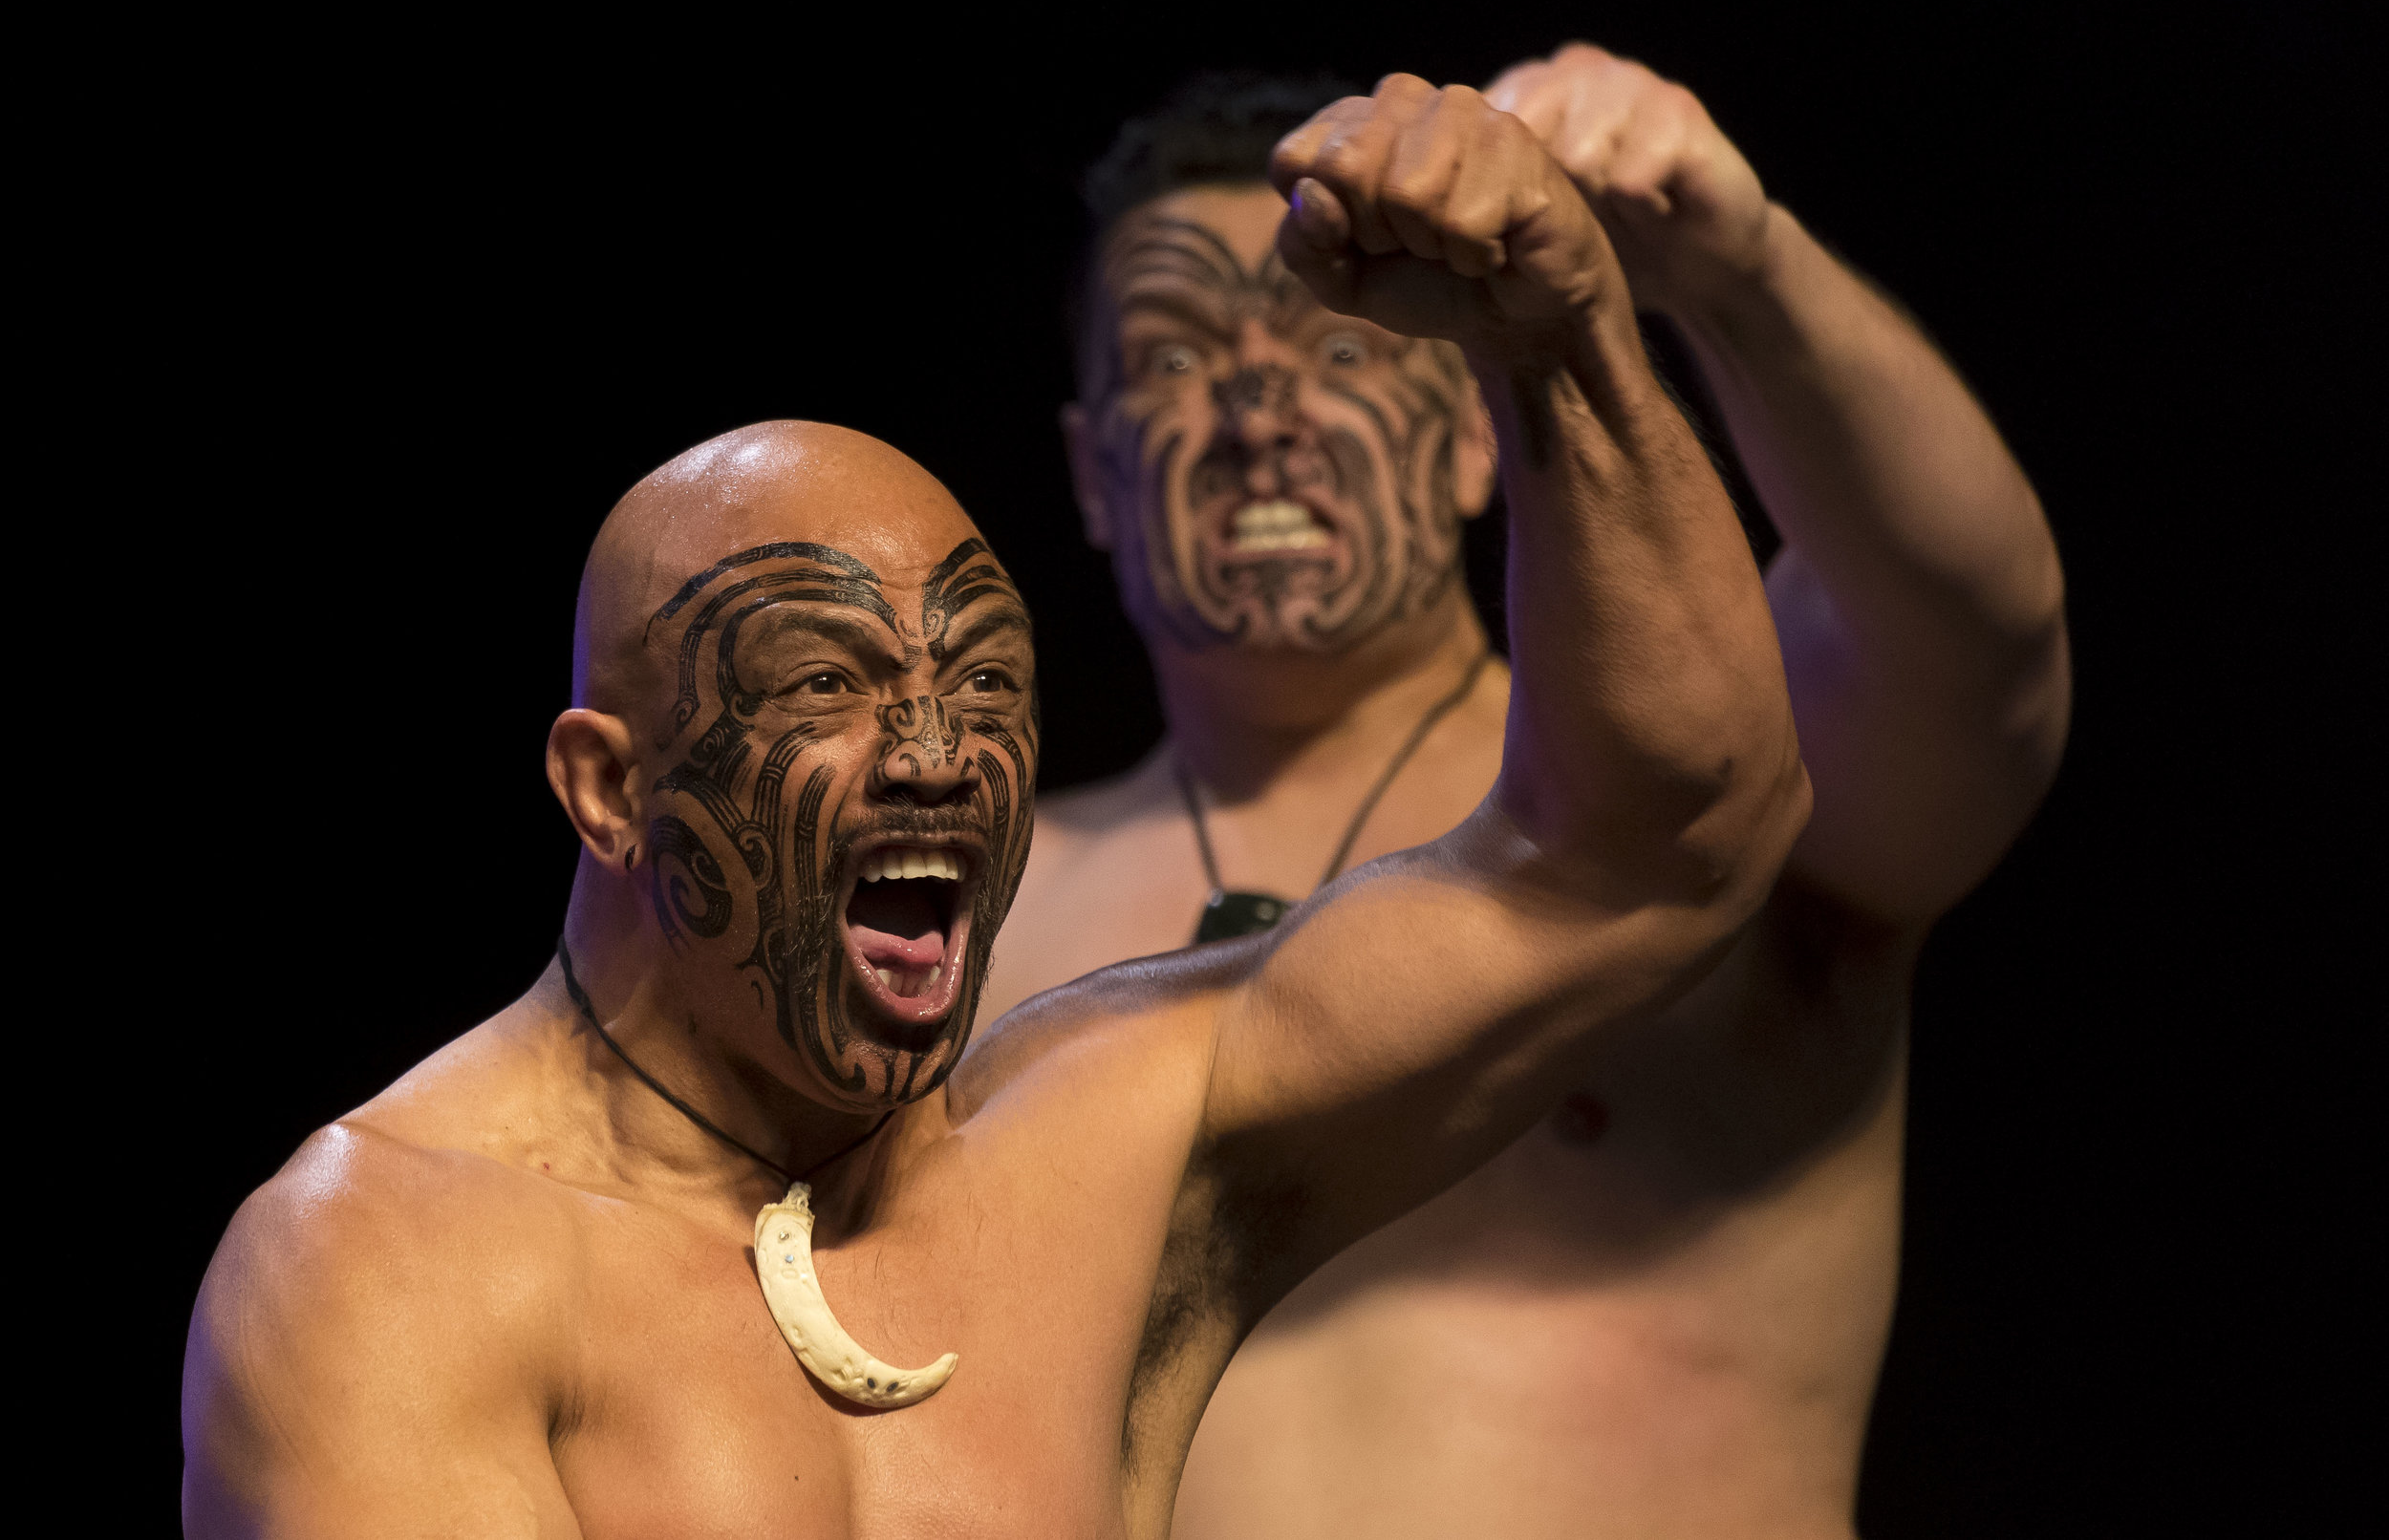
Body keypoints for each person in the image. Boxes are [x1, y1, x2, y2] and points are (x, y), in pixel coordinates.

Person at [181, 76, 1811, 1537]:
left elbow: (1673, 838)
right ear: (609, 787)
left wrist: (1566, 338)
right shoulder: (388, 1266)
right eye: (824, 681)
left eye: (979, 683)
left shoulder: (1112, 1146)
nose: (934, 754)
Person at [980, 45, 2070, 1539]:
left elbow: (1976, 645)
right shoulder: (969, 918)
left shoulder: (1691, 792)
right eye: (1174, 358)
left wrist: (1740, 270)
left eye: (1342, 349)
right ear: (1093, 478)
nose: (1257, 413)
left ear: (1478, 436)